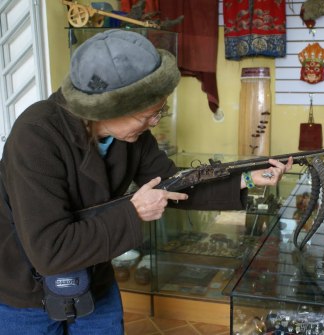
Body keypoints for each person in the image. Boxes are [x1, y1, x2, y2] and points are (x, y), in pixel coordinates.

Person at [0, 30, 292, 334]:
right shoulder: (36, 135)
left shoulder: (131, 136)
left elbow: (172, 184)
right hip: (25, 290)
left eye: (158, 112)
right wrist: (134, 211)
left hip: (93, 276)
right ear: (107, 109)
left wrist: (247, 178)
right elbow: (50, 251)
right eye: (148, 115)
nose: (154, 122)